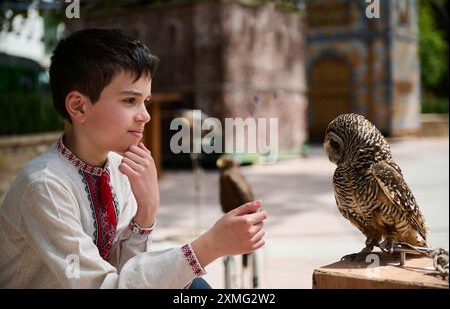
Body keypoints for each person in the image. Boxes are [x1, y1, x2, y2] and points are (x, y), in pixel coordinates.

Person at [0, 28, 267, 288]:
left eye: (145, 102)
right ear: (78, 106)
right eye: (130, 101)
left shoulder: (119, 169)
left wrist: (145, 213)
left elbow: (128, 273)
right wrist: (209, 246)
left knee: (192, 285)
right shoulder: (45, 186)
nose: (145, 116)